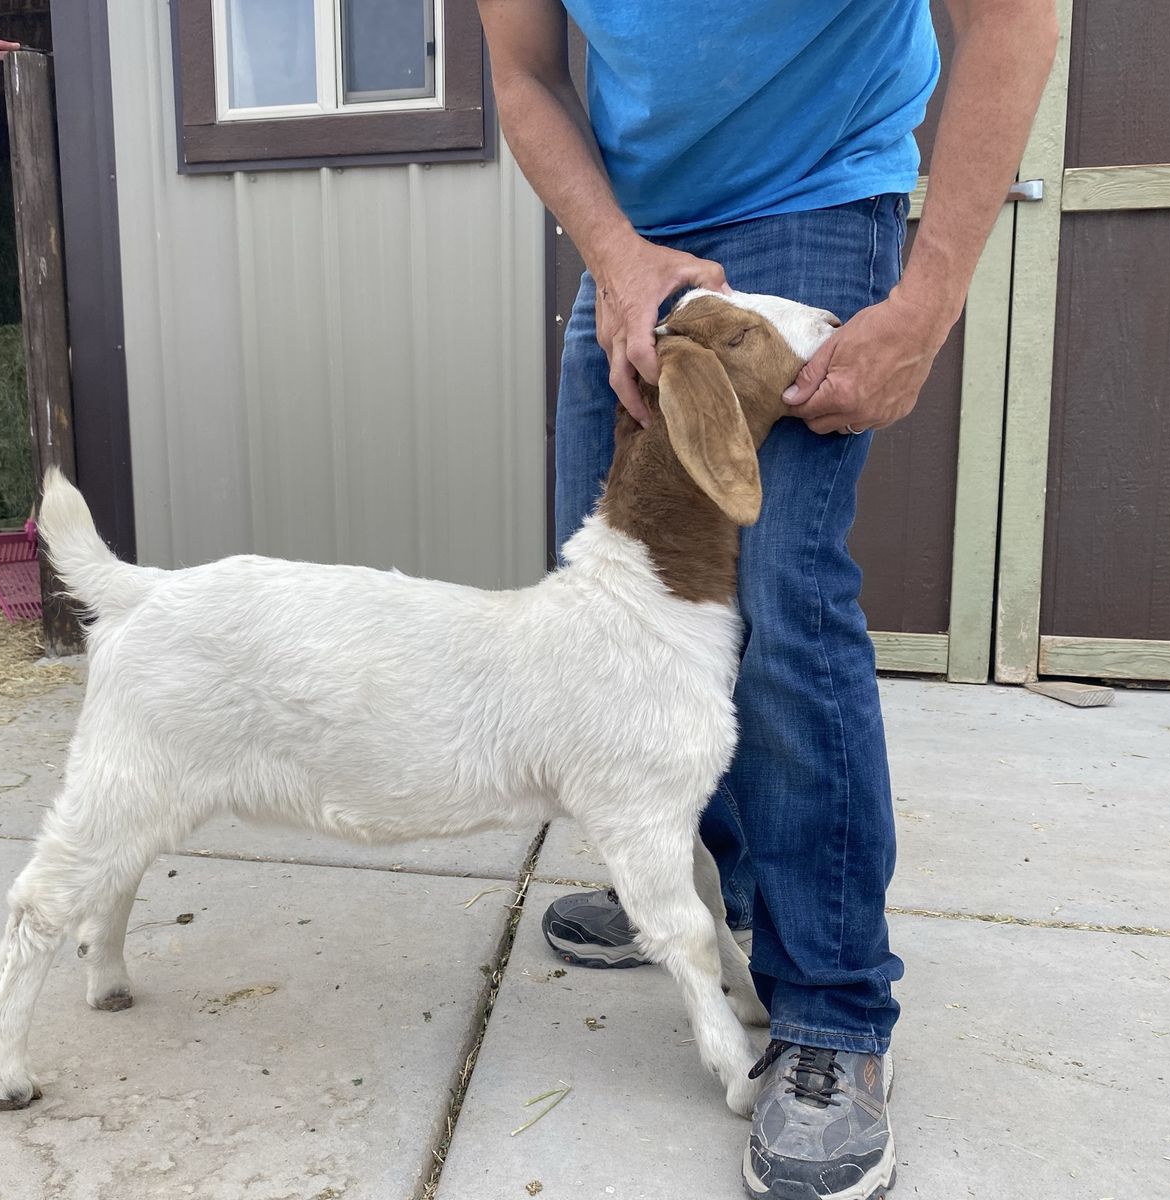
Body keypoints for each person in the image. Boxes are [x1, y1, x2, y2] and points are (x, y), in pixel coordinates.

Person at [473, 1, 1057, 1196]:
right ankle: (714, 890)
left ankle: (833, 1011)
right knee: (622, 601)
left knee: (774, 595)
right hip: (641, 233)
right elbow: (524, 73)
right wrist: (614, 254)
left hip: (812, 196)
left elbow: (1007, 17)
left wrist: (927, 305)